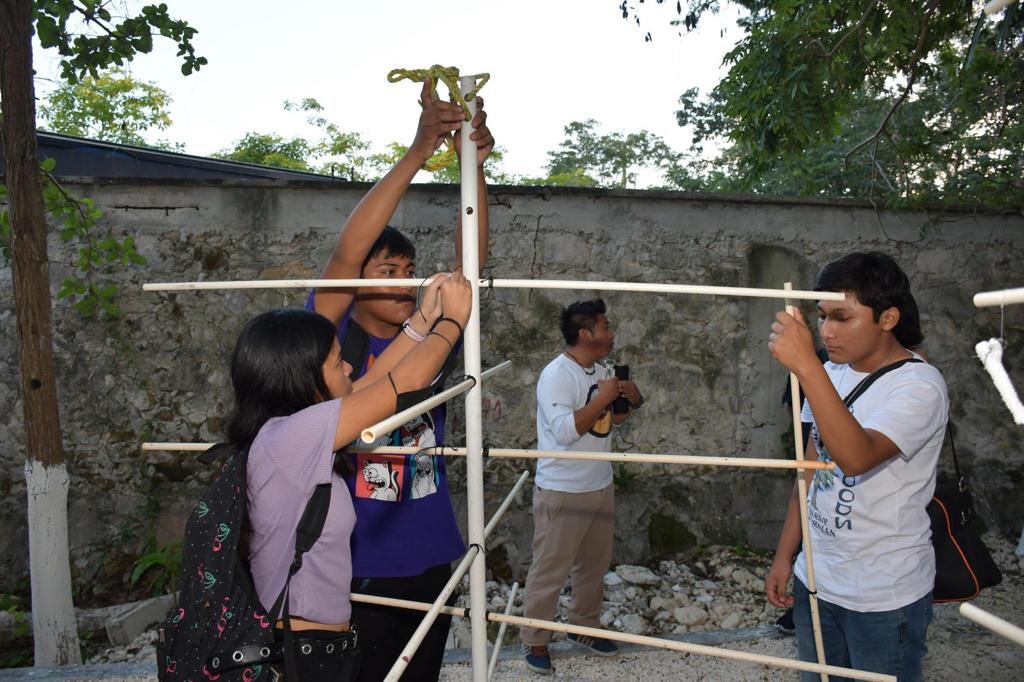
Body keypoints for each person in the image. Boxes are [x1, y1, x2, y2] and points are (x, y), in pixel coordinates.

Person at [307, 77, 495, 681]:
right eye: (387, 269)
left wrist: (474, 166)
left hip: (429, 550)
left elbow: (470, 268)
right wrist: (418, 151)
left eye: (409, 270)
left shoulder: (429, 330)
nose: (403, 282)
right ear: (354, 283)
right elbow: (345, 254)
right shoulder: (328, 341)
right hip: (357, 558)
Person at [232, 271, 472, 681]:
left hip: (314, 642)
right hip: (304, 651)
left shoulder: (286, 431)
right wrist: (453, 320)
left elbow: (376, 383)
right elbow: (405, 384)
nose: (348, 367)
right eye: (337, 360)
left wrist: (422, 320)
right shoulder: (295, 437)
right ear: (303, 376)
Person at [764, 252, 948, 681]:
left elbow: (856, 457)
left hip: (885, 594)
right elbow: (809, 468)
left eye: (842, 318)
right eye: (822, 317)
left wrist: (807, 367)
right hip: (817, 581)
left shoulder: (920, 386)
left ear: (888, 318)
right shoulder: (832, 370)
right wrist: (786, 556)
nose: (826, 332)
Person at [521, 299, 643, 675]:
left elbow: (609, 419)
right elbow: (564, 431)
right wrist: (605, 396)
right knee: (550, 568)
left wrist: (630, 401)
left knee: (593, 566)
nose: (612, 334)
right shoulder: (556, 375)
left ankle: (583, 627)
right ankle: (535, 639)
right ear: (586, 333)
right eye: (606, 327)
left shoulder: (601, 370)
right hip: (562, 488)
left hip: (599, 483)